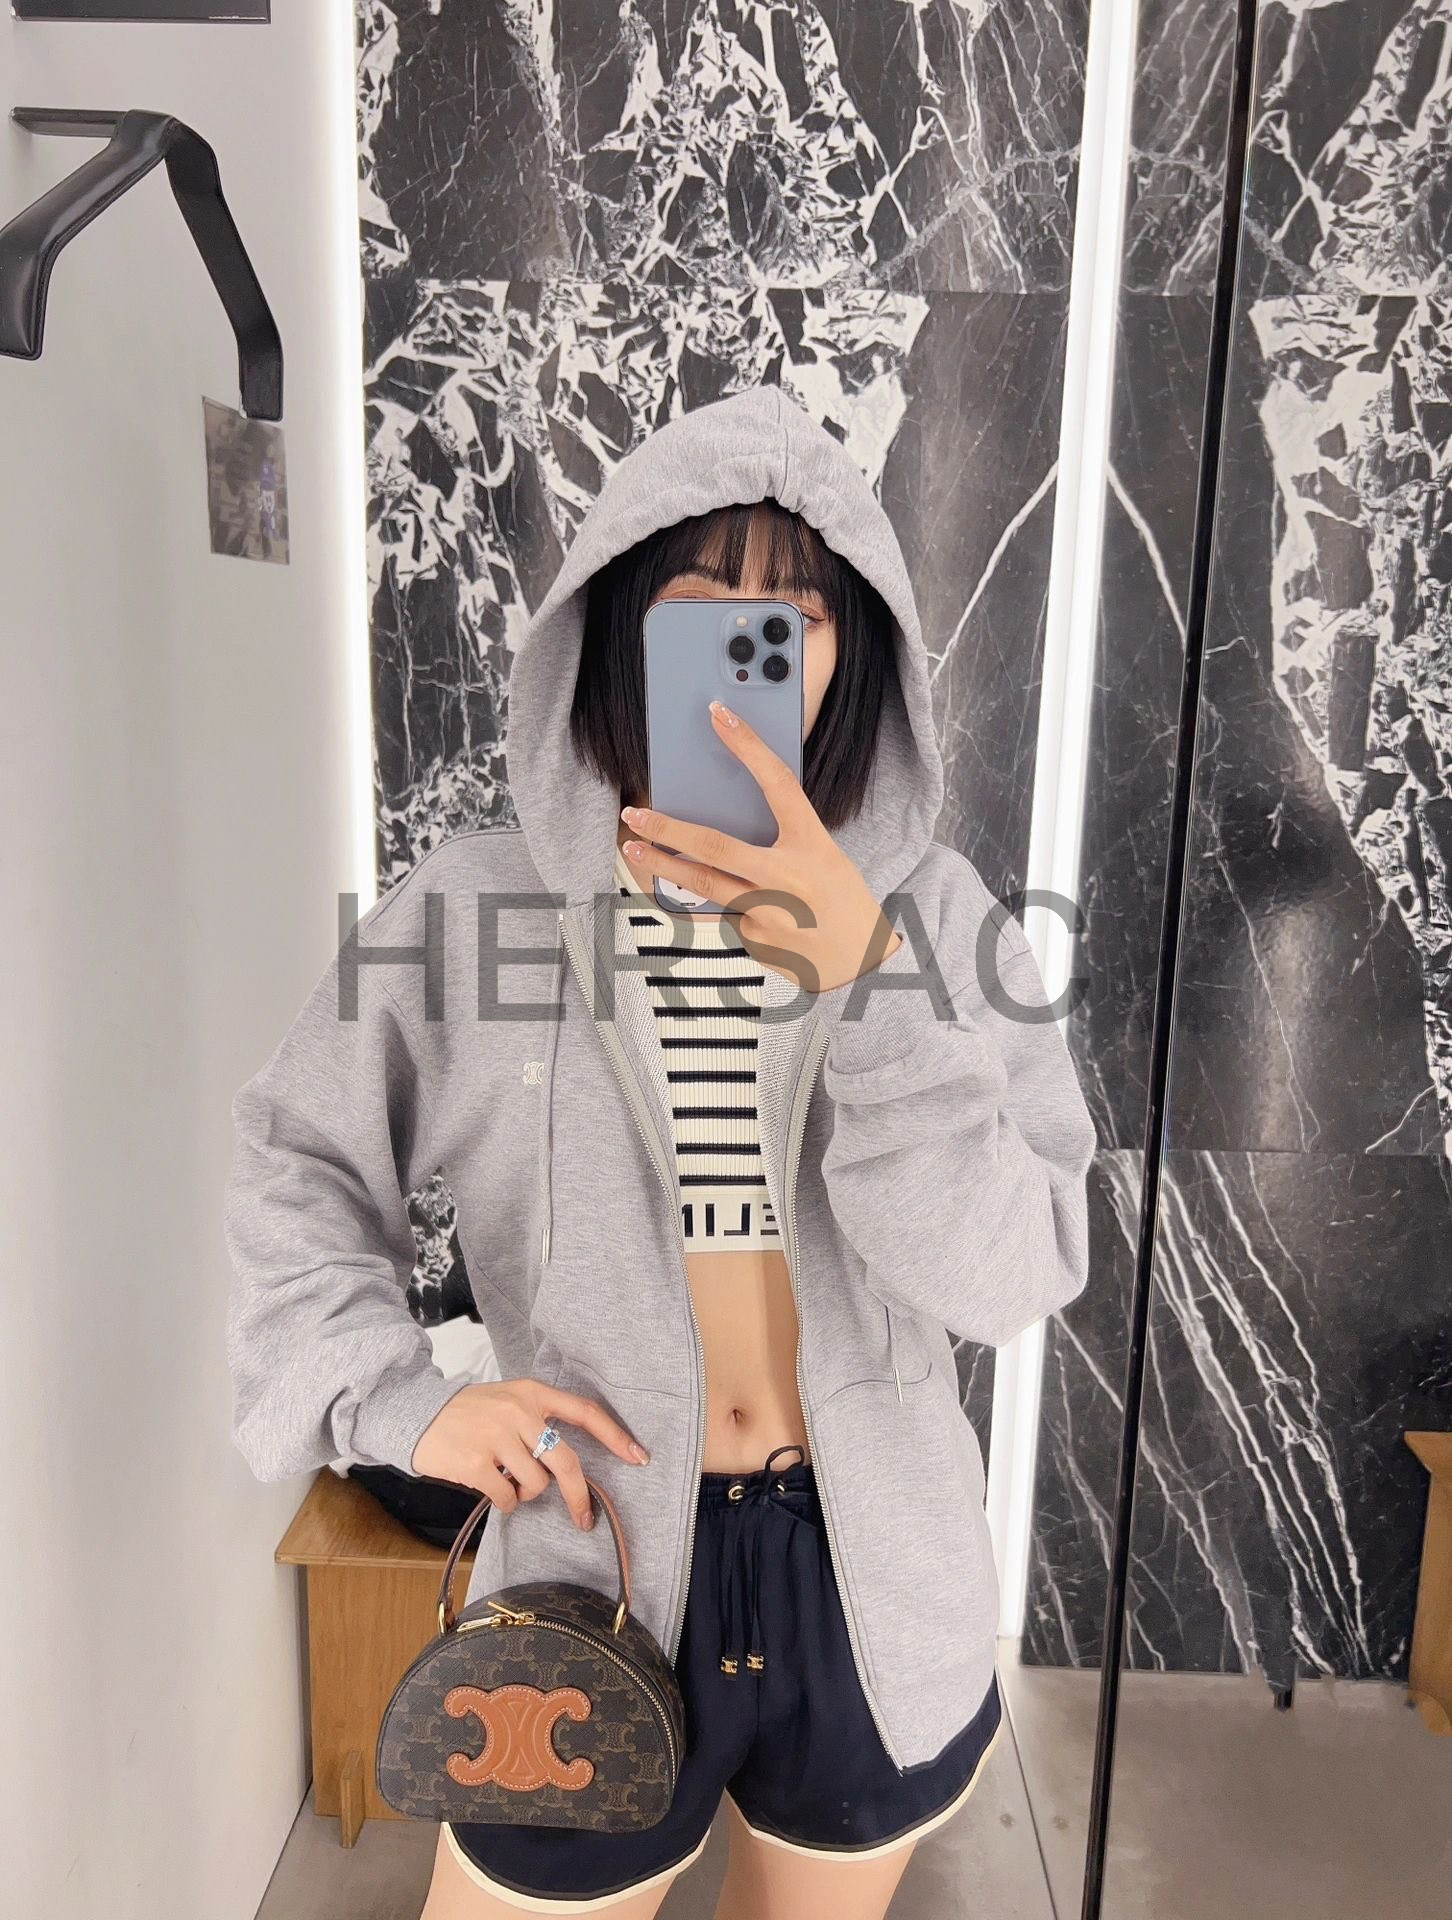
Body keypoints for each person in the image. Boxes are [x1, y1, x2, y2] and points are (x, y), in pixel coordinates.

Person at [223, 383, 1098, 1919]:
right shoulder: (477, 910)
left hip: (870, 1583)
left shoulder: (942, 918)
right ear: (621, 627)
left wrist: (866, 979)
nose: (754, 653)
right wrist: (401, 1400)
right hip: (591, 1553)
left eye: (797, 619)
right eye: (704, 608)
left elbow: (1015, 1270)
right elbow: (298, 1156)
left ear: (853, 652)